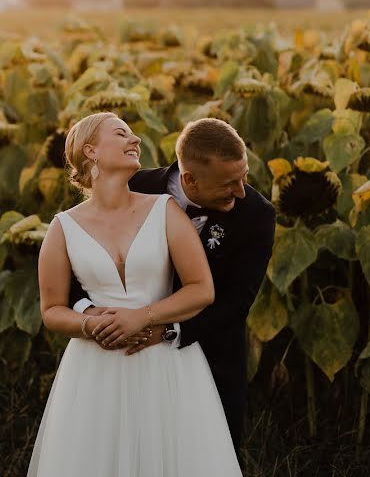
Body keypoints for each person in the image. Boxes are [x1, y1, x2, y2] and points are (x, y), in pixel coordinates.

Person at [27, 113, 244, 476]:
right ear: (91, 151)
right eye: (121, 133)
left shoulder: (164, 210)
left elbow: (201, 289)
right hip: (95, 368)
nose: (136, 140)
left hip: (166, 364)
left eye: (133, 133)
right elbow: (51, 309)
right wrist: (90, 324)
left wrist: (141, 317)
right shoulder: (62, 228)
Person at [68, 116, 276, 454]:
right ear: (191, 179)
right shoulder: (133, 186)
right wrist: (96, 316)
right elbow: (79, 257)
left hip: (209, 354)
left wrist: (166, 330)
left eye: (244, 177)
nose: (240, 192)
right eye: (229, 183)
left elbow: (237, 302)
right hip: (120, 353)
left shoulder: (256, 214)